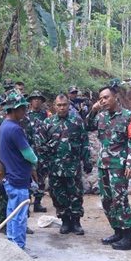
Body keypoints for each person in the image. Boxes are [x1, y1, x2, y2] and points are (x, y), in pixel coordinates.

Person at [86, 85, 131, 250]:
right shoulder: (101, 116)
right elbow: (87, 126)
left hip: (119, 165)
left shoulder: (128, 116)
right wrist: (93, 110)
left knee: (120, 200)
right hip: (103, 164)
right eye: (101, 98)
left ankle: (129, 237)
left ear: (116, 97)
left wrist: (130, 162)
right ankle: (117, 231)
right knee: (107, 200)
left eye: (106, 97)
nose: (103, 101)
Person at [43, 94, 91, 235]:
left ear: (69, 105)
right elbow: (42, 145)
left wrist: (87, 160)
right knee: (58, 194)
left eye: (64, 105)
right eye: (59, 105)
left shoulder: (77, 122)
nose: (62, 108)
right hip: (55, 167)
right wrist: (44, 164)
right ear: (54, 106)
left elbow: (85, 142)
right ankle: (64, 220)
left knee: (76, 194)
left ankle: (76, 222)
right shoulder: (48, 123)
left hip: (73, 166)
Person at [0, 93, 37, 249]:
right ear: (14, 110)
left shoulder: (4, 125)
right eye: (22, 109)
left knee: (11, 212)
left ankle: (11, 244)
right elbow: (29, 155)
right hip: (19, 177)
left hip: (10, 175)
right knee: (20, 215)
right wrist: (35, 161)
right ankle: (19, 247)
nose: (25, 112)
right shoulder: (15, 129)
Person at [26, 90, 50, 213]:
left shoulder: (46, 115)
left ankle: (38, 203)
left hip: (42, 151)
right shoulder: (25, 115)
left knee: (41, 177)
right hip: (29, 152)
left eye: (39, 99)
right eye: (34, 98)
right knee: (28, 177)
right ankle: (27, 202)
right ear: (30, 101)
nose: (36, 100)